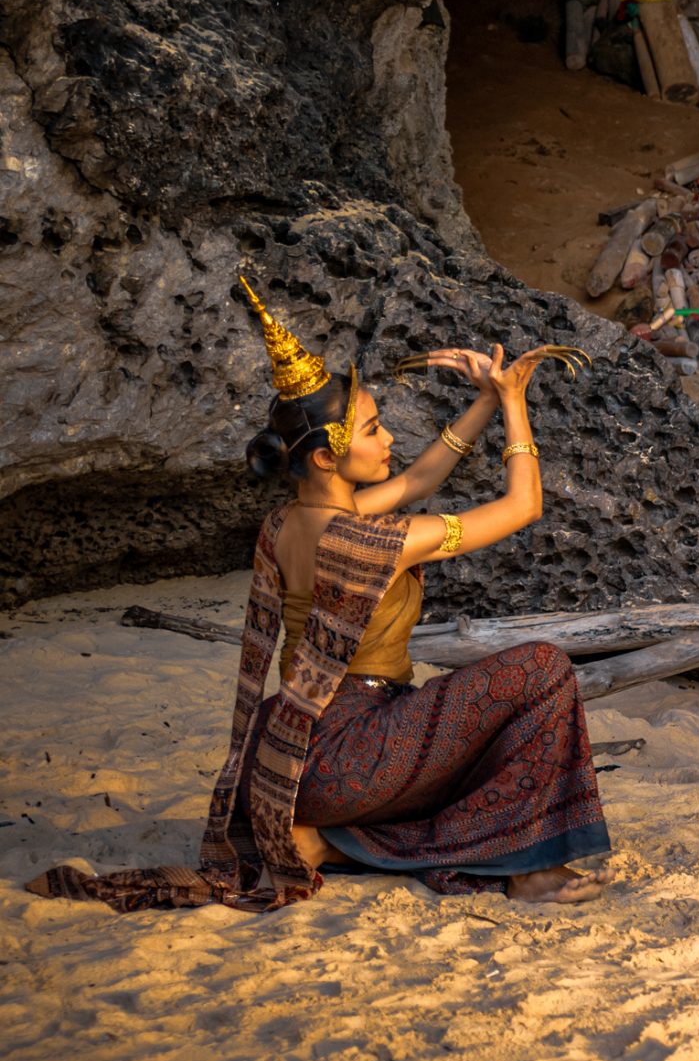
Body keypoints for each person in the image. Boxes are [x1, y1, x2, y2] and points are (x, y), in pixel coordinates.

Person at [27, 276, 611, 911]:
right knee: (543, 668)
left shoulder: (287, 526)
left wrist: (485, 402)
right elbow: (524, 505)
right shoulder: (370, 542)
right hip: (345, 759)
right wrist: (517, 402)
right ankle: (526, 869)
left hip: (279, 761)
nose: (388, 440)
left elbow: (417, 477)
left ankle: (328, 841)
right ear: (329, 459)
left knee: (461, 727)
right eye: (374, 429)